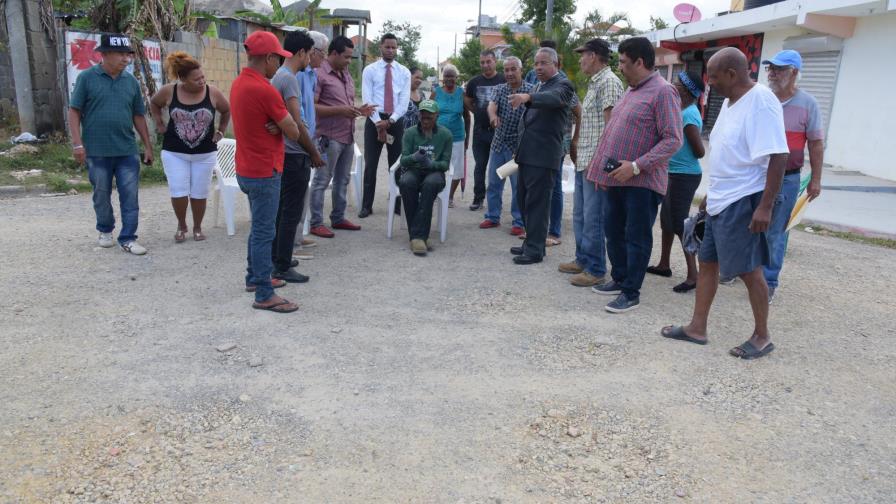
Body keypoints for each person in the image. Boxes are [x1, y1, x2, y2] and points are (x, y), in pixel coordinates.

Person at [661, 47, 789, 360]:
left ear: (732, 74)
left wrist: (765, 206)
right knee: (708, 265)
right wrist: (709, 196)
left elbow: (779, 154)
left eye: (715, 77)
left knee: (749, 270)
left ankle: (762, 336)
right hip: (721, 200)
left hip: (744, 200)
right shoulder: (731, 103)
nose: (710, 84)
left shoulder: (761, 101)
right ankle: (697, 327)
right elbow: (729, 154)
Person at [586, 37, 683, 313]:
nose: (620, 68)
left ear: (640, 62)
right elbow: (611, 135)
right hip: (617, 179)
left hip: (642, 183)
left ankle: (631, 292)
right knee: (613, 231)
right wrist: (601, 174)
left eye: (624, 63)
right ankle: (619, 278)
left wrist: (637, 166)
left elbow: (673, 140)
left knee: (636, 237)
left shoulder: (664, 92)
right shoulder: (631, 91)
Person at [229, 30, 305, 313]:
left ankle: (254, 277)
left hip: (246, 168)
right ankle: (263, 293)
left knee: (258, 228)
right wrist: (280, 124)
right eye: (279, 59)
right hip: (264, 170)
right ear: (269, 58)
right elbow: (295, 131)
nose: (280, 65)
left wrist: (276, 123)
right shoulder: (265, 89)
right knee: (264, 232)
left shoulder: (239, 83)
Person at [68, 33, 153, 255]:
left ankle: (128, 238)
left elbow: (138, 116)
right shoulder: (87, 78)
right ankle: (105, 229)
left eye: (128, 54)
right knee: (101, 193)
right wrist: (77, 144)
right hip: (96, 151)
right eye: (121, 54)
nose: (126, 59)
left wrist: (148, 146)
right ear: (105, 55)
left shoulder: (131, 82)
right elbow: (74, 111)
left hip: (126, 150)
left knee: (130, 195)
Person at [558, 38, 624, 287]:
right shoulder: (596, 83)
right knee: (580, 215)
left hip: (596, 163)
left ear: (594, 55)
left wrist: (604, 167)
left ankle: (596, 268)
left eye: (583, 55)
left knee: (593, 217)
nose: (580, 59)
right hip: (585, 160)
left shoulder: (609, 83)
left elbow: (612, 129)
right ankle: (583, 259)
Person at [761, 50, 824, 303]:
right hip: (756, 175)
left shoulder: (808, 104)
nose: (773, 73)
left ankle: (769, 281)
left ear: (794, 73)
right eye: (770, 68)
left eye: (780, 68)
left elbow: (816, 143)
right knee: (747, 224)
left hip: (787, 178)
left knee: (776, 231)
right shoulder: (762, 99)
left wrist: (816, 179)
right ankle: (742, 271)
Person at [151, 52, 230, 244]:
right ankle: (181, 225)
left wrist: (220, 131)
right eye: (197, 79)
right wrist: (159, 123)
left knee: (199, 192)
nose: (202, 81)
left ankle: (197, 227)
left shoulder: (213, 92)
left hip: (205, 153)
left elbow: (226, 109)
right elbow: (154, 103)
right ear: (183, 79)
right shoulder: (170, 91)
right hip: (174, 152)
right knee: (178, 190)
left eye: (203, 77)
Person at [508, 47, 575, 265]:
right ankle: (531, 242)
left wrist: (527, 96)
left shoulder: (563, 85)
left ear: (555, 64)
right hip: (527, 154)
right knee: (524, 201)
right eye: (536, 63)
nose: (538, 67)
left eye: (543, 63)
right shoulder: (540, 84)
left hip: (544, 156)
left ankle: (536, 250)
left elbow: (552, 99)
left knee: (538, 204)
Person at [269, 30, 325, 283]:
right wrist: (312, 152)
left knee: (283, 210)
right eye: (310, 54)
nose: (310, 59)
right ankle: (281, 265)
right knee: (290, 212)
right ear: (301, 53)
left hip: (288, 152)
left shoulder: (280, 76)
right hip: (295, 153)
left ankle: (279, 257)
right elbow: (296, 121)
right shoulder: (289, 78)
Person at [645, 71, 706, 293]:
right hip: (673, 172)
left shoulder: (689, 115)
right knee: (666, 221)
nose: (674, 85)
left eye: (678, 84)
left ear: (686, 91)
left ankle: (693, 275)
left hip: (686, 175)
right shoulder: (680, 110)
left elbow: (699, 151)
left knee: (680, 224)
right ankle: (664, 264)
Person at [308, 36, 373, 238]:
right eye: (346, 56)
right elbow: (312, 107)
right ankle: (316, 222)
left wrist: (359, 111)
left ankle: (338, 217)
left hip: (347, 136)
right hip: (328, 137)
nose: (348, 61)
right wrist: (340, 110)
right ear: (333, 54)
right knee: (322, 180)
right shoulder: (319, 74)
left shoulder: (345, 74)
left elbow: (346, 107)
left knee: (342, 180)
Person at [360, 33, 411, 218]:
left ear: (397, 49)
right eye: (387, 46)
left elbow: (404, 101)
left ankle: (397, 203)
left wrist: (390, 121)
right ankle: (367, 205)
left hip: (395, 120)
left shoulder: (404, 72)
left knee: (396, 164)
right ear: (381, 47)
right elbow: (367, 99)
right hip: (374, 118)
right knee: (370, 164)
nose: (390, 50)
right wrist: (377, 123)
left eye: (393, 47)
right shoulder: (370, 70)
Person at [480, 56, 532, 235]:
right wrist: (493, 117)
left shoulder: (530, 91)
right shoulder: (499, 89)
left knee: (518, 186)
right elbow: (491, 106)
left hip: (517, 149)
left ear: (521, 70)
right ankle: (492, 217)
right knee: (494, 183)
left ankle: (519, 221)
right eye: (507, 70)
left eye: (513, 69)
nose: (509, 73)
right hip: (498, 145)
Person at [398, 100, 453, 255]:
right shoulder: (410, 133)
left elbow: (445, 165)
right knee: (405, 182)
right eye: (423, 117)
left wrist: (431, 163)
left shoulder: (445, 135)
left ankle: (417, 237)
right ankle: (420, 236)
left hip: (434, 172)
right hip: (414, 170)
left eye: (430, 117)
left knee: (430, 184)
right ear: (419, 116)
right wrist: (415, 157)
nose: (426, 121)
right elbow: (403, 160)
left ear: (437, 116)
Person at [464, 49, 505, 211]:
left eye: (488, 61)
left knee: (499, 168)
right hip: (480, 131)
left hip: (499, 131)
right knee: (480, 165)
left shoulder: (503, 79)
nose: (485, 65)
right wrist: (476, 111)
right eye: (482, 62)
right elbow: (467, 99)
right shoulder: (474, 82)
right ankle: (478, 197)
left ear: (495, 61)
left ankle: (496, 200)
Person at [432, 64, 470, 207]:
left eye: (451, 76)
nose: (449, 78)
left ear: (456, 78)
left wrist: (467, 138)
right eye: (446, 76)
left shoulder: (462, 93)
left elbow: (467, 117)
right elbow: (428, 115)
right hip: (438, 137)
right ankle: (437, 192)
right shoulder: (436, 93)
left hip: (458, 136)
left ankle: (449, 196)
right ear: (443, 78)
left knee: (457, 169)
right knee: (437, 165)